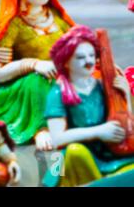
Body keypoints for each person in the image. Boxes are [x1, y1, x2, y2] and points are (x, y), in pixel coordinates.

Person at [0, 0, 74, 150]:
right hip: (22, 91)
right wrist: (33, 64)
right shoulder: (13, 26)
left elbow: (77, 44)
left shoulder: (56, 17)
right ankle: (41, 128)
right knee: (38, 78)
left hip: (58, 80)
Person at [43, 25, 134, 187]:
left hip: (107, 153)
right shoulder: (58, 93)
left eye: (92, 55)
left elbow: (126, 126)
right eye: (80, 57)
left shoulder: (101, 87)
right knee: (75, 152)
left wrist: (125, 95)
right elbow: (57, 139)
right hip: (77, 154)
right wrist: (99, 132)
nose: (89, 61)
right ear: (66, 62)